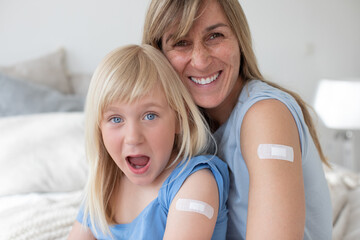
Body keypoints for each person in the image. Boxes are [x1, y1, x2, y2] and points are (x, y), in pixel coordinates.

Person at [142, 0, 333, 239]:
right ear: (158, 55)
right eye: (181, 43)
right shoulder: (180, 128)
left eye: (215, 36)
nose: (200, 60)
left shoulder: (266, 115)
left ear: (239, 39)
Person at [67, 44, 229, 240]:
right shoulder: (102, 186)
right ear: (98, 128)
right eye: (116, 119)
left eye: (150, 116)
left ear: (179, 119)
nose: (133, 137)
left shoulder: (194, 183)